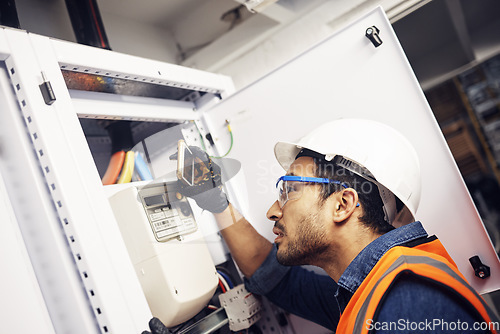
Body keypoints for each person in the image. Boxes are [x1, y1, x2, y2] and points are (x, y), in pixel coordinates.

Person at [143, 119, 498, 334]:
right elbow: (277, 280)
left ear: (342, 204)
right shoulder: (368, 292)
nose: (272, 211)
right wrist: (214, 200)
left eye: (289, 190)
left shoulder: (407, 305)